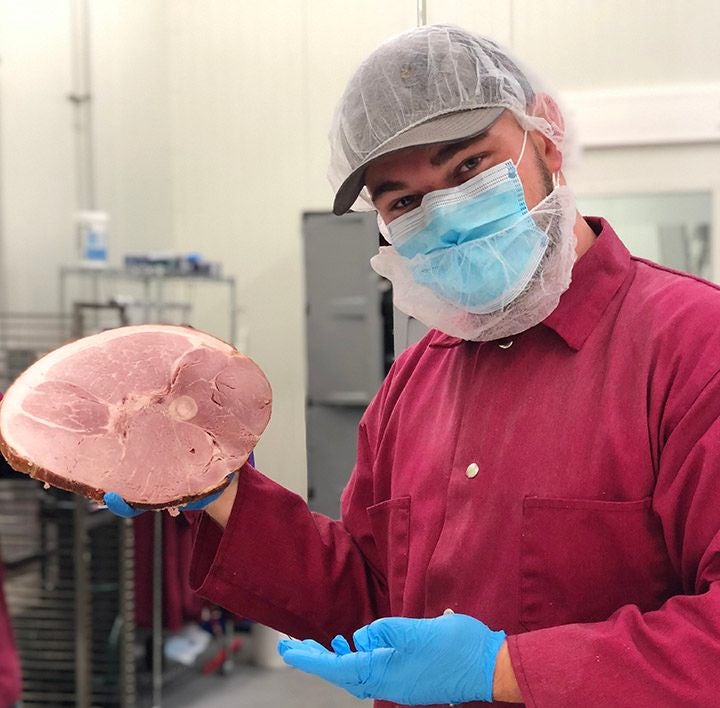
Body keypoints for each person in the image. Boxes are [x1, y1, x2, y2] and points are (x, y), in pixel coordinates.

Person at [107, 24, 720, 706]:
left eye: (470, 169)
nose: (447, 214)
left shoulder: (695, 346)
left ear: (546, 144)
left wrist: (505, 670)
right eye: (405, 201)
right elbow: (369, 596)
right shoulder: (416, 380)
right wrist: (217, 494)